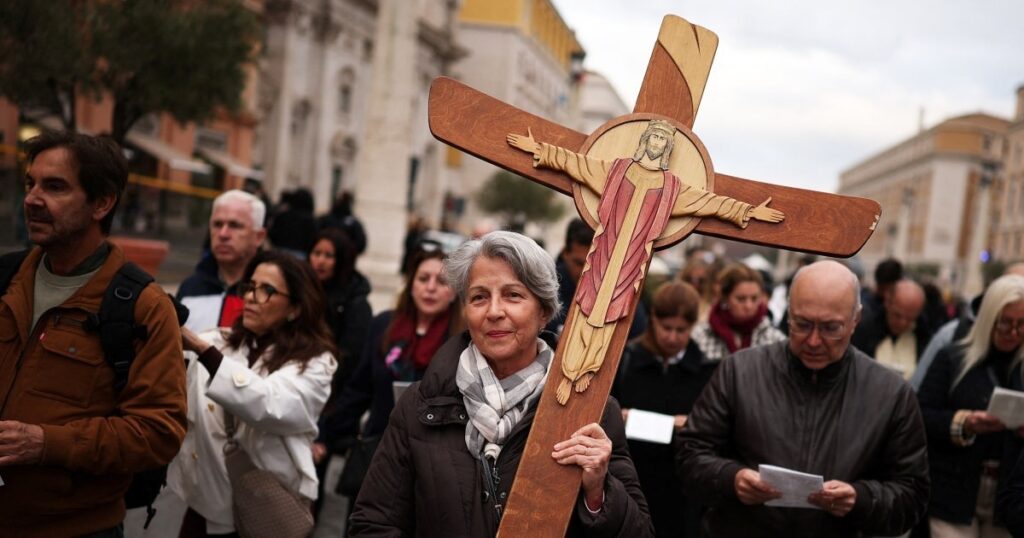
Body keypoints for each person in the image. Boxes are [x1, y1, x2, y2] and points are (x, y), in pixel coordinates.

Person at [349, 231, 653, 536]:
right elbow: (373, 523)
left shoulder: (590, 410)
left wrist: (598, 493)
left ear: (544, 312)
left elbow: (640, 532)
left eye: (513, 295)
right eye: (479, 297)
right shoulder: (420, 405)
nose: (494, 312)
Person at [507, 120, 784, 404]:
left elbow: (709, 202)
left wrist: (748, 211)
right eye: (653, 138)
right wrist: (539, 149)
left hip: (630, 264)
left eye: (663, 142)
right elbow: (576, 163)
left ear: (667, 148)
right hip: (603, 256)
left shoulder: (672, 189)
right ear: (645, 141)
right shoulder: (616, 171)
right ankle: (568, 372)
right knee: (585, 312)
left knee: (610, 319)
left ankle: (588, 371)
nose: (657, 144)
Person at [0, 130, 187, 536]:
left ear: (102, 203)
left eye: (54, 187)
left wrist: (45, 442)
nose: (32, 198)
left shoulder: (143, 307)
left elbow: (158, 431)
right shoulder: (5, 278)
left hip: (76, 528)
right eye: (30, 183)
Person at [676, 260, 929, 536]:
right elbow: (690, 454)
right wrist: (731, 479)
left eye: (831, 328)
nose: (813, 341)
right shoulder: (739, 371)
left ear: (856, 319)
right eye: (802, 324)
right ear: (788, 314)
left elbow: (912, 495)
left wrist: (861, 499)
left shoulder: (890, 393)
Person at [168, 250, 337, 536]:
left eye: (267, 290)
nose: (250, 297)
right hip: (207, 502)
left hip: (265, 510)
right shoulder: (218, 341)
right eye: (250, 287)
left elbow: (271, 404)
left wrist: (201, 349)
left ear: (295, 308)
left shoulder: (317, 363)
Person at [318, 248, 460, 501]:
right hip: (378, 451)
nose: (430, 288)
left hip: (430, 464)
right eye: (422, 278)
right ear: (411, 283)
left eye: (441, 281)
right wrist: (325, 436)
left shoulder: (461, 341)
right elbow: (358, 390)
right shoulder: (384, 325)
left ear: (454, 291)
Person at [916, 274, 1024, 537]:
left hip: (1009, 495)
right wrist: (964, 423)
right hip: (953, 489)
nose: (1013, 333)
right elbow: (921, 415)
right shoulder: (953, 358)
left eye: (1022, 325)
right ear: (988, 320)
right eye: (1005, 324)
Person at [612, 281, 717, 537]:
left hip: (679, 491)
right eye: (666, 328)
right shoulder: (625, 361)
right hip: (631, 481)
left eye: (681, 330)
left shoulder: (707, 371)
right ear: (653, 320)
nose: (672, 337)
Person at [177, 189, 266, 332]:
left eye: (235, 225)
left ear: (259, 237)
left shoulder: (269, 294)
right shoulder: (190, 288)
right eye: (217, 225)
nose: (223, 234)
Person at [691, 263, 786, 361]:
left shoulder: (775, 340)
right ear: (725, 298)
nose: (748, 306)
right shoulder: (701, 336)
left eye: (754, 298)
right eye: (741, 299)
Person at [852, 278, 932, 380]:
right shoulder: (865, 330)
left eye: (910, 319)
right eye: (897, 315)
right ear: (887, 302)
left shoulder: (923, 337)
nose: (903, 323)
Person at [268, 187, 317, 259]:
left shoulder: (283, 215)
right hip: (300, 254)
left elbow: (273, 233)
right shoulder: (311, 220)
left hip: (279, 251)